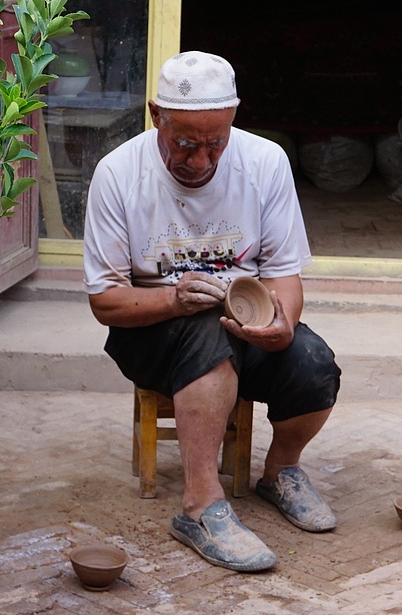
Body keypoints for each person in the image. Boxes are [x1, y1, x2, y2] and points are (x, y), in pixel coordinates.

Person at [83, 51, 341, 572]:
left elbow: (286, 274)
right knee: (205, 332)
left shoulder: (265, 162)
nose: (200, 160)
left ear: (233, 119)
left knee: (315, 363)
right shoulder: (118, 174)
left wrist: (282, 324)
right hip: (150, 328)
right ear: (157, 114)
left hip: (245, 322)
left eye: (215, 143)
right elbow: (105, 300)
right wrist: (172, 299)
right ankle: (200, 505)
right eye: (185, 144)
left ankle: (280, 472)